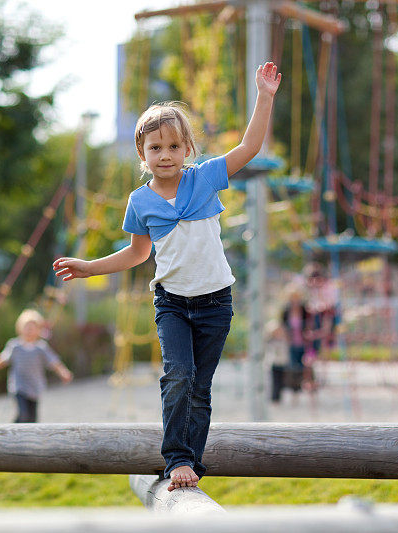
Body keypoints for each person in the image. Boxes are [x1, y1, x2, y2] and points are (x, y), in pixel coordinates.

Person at [53, 62, 282, 492]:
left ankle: (191, 462)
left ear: (187, 150)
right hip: (172, 303)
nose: (165, 155)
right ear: (142, 155)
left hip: (216, 303)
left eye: (174, 146)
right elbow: (138, 254)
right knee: (178, 374)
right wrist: (88, 268)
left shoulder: (205, 179)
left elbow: (250, 146)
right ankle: (176, 456)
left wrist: (264, 96)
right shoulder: (139, 201)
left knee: (200, 386)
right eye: (155, 148)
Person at [0, 309, 73, 423]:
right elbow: (1, 360)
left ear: (39, 330)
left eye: (33, 328)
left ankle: (27, 439)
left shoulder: (41, 348)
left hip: (34, 387)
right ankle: (12, 431)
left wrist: (63, 372)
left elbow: (54, 362)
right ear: (20, 328)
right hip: (19, 387)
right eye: (27, 327)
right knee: (23, 415)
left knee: (32, 419)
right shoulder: (15, 346)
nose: (29, 330)